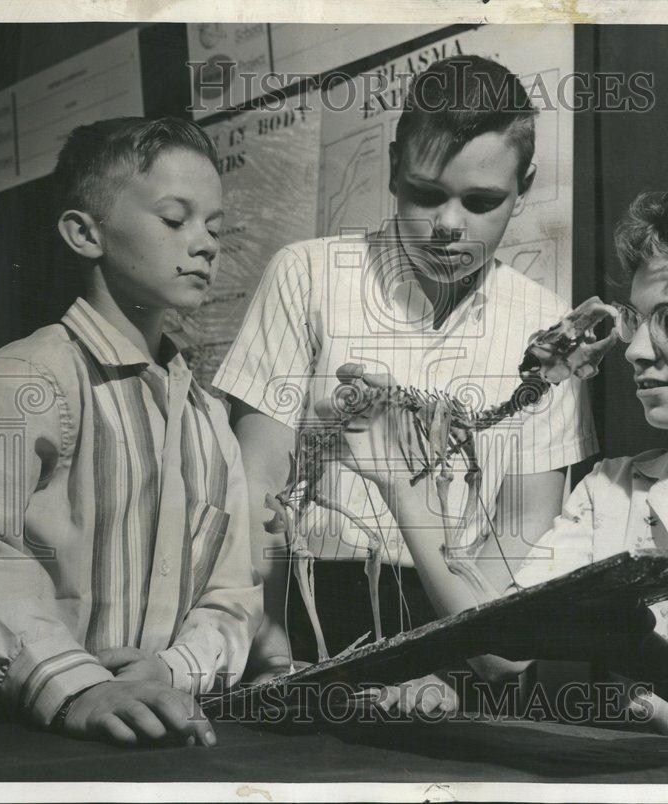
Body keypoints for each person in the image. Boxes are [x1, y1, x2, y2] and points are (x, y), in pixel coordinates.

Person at [327, 189, 668, 757]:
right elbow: (499, 654)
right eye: (637, 321)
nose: (637, 349)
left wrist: (651, 659)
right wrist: (402, 493)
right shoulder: (610, 490)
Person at [213, 55, 598, 707]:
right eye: (426, 193)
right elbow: (255, 490)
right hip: (303, 627)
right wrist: (270, 657)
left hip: (466, 638)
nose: (449, 226)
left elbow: (521, 539)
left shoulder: (546, 327)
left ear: (524, 185)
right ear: (393, 168)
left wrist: (455, 674)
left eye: (481, 202)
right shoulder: (307, 276)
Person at [0, 117, 263, 747]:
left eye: (214, 227)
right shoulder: (21, 378)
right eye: (175, 219)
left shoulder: (207, 418)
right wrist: (75, 683)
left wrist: (173, 668)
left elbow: (232, 591)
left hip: (161, 728)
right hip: (21, 733)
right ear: (85, 233)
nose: (206, 244)